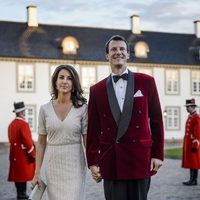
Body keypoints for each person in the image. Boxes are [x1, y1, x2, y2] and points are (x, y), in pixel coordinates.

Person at [86, 35, 164, 200]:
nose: (118, 52)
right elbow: (93, 130)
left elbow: (156, 120)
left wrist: (157, 154)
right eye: (113, 49)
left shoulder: (147, 82)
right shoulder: (96, 90)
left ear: (128, 54)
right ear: (107, 55)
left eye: (122, 49)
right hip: (112, 159)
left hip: (139, 158)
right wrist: (93, 162)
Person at [32, 64, 88, 200]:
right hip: (52, 165)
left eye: (69, 78)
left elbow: (87, 140)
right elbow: (40, 143)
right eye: (61, 77)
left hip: (75, 163)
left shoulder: (82, 108)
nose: (64, 81)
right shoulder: (44, 109)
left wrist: (94, 164)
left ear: (73, 85)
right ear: (55, 83)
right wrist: (37, 171)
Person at [8, 101, 36, 200]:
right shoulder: (23, 124)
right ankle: (22, 194)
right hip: (23, 155)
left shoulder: (11, 125)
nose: (25, 113)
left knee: (17, 175)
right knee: (23, 175)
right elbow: (27, 142)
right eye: (24, 111)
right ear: (22, 113)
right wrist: (32, 154)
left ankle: (19, 193)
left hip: (14, 155)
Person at [182, 98, 200, 186]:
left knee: (194, 162)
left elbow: (197, 133)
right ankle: (191, 179)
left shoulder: (196, 118)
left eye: (188, 107)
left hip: (193, 144)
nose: (186, 108)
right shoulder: (191, 117)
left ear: (192, 107)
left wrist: (195, 144)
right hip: (189, 143)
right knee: (191, 161)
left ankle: (194, 180)